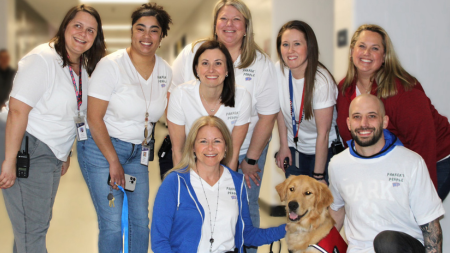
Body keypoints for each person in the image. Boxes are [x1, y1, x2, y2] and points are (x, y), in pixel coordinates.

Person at [170, 2, 279, 249]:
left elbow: (267, 114)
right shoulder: (192, 52)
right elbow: (175, 96)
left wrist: (250, 160)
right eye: (223, 19)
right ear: (215, 24)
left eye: (236, 19)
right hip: (199, 151)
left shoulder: (260, 63)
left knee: (244, 206)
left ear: (246, 27)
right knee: (199, 206)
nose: (229, 25)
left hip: (246, 148)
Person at [0, 5, 105, 252]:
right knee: (33, 229)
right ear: (65, 26)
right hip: (26, 145)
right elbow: (17, 111)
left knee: (33, 225)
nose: (83, 33)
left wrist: (64, 153)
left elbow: (73, 113)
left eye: (91, 30)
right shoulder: (42, 59)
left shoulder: (82, 68)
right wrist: (9, 160)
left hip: (50, 151)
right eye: (77, 26)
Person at [76, 3, 172, 252]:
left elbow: (172, 114)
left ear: (161, 37)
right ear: (132, 31)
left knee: (140, 221)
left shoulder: (165, 71)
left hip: (137, 155)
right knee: (111, 222)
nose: (146, 36)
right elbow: (94, 118)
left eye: (154, 30)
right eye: (140, 29)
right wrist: (113, 161)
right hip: (102, 149)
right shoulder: (111, 66)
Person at [336, 24, 450, 200]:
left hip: (435, 158)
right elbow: (350, 137)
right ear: (351, 51)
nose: (366, 53)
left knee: (410, 221)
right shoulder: (344, 89)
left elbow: (423, 141)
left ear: (384, 57)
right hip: (391, 163)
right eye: (362, 46)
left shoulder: (402, 90)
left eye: (375, 48)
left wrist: (421, 198)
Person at [151, 116, 285, 253]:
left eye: (217, 141)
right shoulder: (175, 182)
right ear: (192, 147)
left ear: (226, 147)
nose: (210, 148)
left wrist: (287, 229)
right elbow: (159, 242)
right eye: (203, 141)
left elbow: (247, 234)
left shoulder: (237, 182)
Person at [329, 94, 444, 253]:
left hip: (401, 247)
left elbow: (430, 225)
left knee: (386, 242)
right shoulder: (337, 164)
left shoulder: (411, 162)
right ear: (348, 123)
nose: (364, 124)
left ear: (384, 122)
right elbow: (336, 210)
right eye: (357, 117)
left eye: (372, 116)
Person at [168, 40, 251, 172]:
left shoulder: (242, 97)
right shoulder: (180, 95)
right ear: (196, 69)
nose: (211, 69)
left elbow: (233, 154)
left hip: (222, 164)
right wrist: (184, 187)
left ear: (227, 69)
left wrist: (225, 187)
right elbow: (178, 151)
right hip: (190, 162)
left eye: (218, 63)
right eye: (205, 63)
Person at [274, 20, 338, 183]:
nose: (290, 51)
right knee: (295, 205)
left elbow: (323, 134)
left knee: (320, 206)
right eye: (285, 44)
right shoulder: (278, 70)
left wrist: (318, 175)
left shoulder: (321, 82)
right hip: (295, 149)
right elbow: (280, 110)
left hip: (324, 151)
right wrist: (284, 145)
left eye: (297, 44)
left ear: (309, 47)